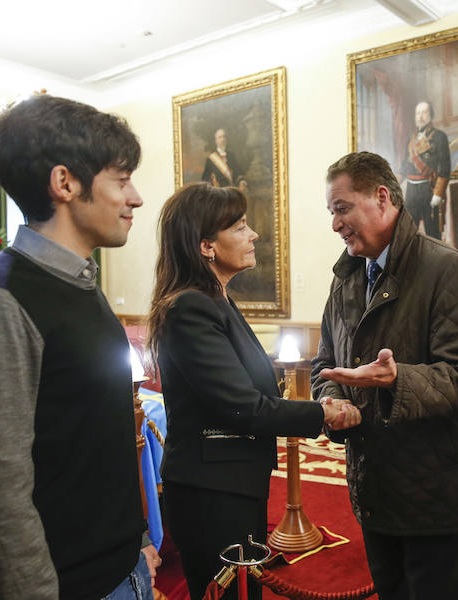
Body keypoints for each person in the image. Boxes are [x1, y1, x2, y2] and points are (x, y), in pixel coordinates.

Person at [0, 95, 159, 599]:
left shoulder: (81, 284)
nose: (136, 197)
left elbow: (96, 438)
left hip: (123, 569)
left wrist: (136, 542)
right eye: (121, 180)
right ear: (65, 183)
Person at [146, 183, 359, 600]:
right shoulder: (192, 307)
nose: (253, 234)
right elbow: (241, 407)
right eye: (240, 227)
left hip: (232, 481)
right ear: (206, 245)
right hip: (211, 491)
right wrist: (323, 414)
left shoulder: (216, 300)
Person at [312, 151, 458, 600]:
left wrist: (397, 381)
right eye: (332, 212)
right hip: (374, 486)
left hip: (434, 491)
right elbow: (325, 363)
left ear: (382, 197)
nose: (335, 224)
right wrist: (336, 399)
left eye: (342, 208)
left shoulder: (449, 269)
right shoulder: (346, 277)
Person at [400, 101, 450, 239]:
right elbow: (404, 165)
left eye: (424, 112)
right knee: (410, 231)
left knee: (433, 233)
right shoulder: (411, 139)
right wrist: (392, 182)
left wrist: (438, 193)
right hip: (411, 189)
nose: (420, 116)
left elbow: (445, 168)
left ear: (431, 115)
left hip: (429, 188)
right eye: (417, 113)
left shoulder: (440, 137)